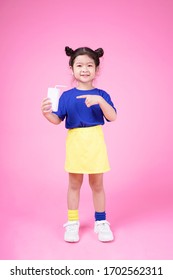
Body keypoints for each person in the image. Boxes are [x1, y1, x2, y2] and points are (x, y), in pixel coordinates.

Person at [41, 46, 117, 242]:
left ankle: (101, 222)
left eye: (90, 65)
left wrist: (100, 100)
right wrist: (46, 113)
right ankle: (72, 223)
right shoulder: (66, 96)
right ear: (71, 69)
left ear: (97, 69)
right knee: (74, 184)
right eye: (80, 65)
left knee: (97, 184)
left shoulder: (102, 94)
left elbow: (113, 116)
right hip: (75, 141)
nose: (85, 69)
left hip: (95, 141)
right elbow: (57, 120)